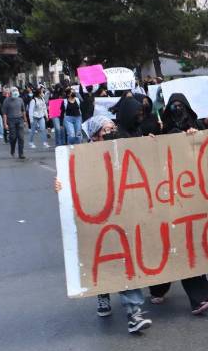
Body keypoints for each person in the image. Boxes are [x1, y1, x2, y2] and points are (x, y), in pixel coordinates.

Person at [55, 116, 152, 334]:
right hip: (96, 217)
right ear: (96, 133)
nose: (111, 131)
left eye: (113, 128)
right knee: (103, 259)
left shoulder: (122, 148)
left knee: (126, 260)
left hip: (121, 215)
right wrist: (61, 185)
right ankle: (102, 293)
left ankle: (133, 313)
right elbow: (72, 182)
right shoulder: (81, 156)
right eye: (107, 129)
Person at [2, 88, 29, 159]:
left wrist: (25, 121)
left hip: (20, 119)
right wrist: (5, 123)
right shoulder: (6, 101)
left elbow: (23, 111)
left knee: (21, 137)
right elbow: (4, 113)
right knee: (13, 137)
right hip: (11, 120)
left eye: (16, 91)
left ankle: (21, 153)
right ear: (10, 93)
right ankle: (12, 149)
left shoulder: (20, 100)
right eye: (13, 92)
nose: (15, 93)